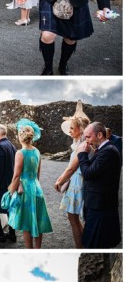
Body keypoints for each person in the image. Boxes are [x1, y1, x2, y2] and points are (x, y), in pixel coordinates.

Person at [6, 123, 53, 249]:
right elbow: (38, 174)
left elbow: (16, 176)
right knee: (38, 220)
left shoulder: (20, 153)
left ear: (20, 137)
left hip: (25, 190)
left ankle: (29, 251)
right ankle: (38, 250)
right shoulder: (37, 151)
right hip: (37, 188)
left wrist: (10, 191)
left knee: (27, 223)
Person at [77, 120, 122, 248]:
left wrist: (82, 155)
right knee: (93, 242)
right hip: (98, 204)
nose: (86, 140)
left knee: (94, 243)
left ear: (99, 135)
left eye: (88, 136)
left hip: (101, 206)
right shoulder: (104, 150)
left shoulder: (108, 151)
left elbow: (88, 173)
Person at [54, 102, 90, 248]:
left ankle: (81, 247)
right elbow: (69, 167)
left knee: (73, 218)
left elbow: (71, 169)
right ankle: (83, 245)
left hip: (77, 184)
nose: (69, 131)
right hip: (76, 181)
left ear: (80, 130)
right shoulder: (80, 144)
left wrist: (60, 182)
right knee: (73, 218)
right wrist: (60, 177)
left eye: (71, 128)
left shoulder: (82, 146)